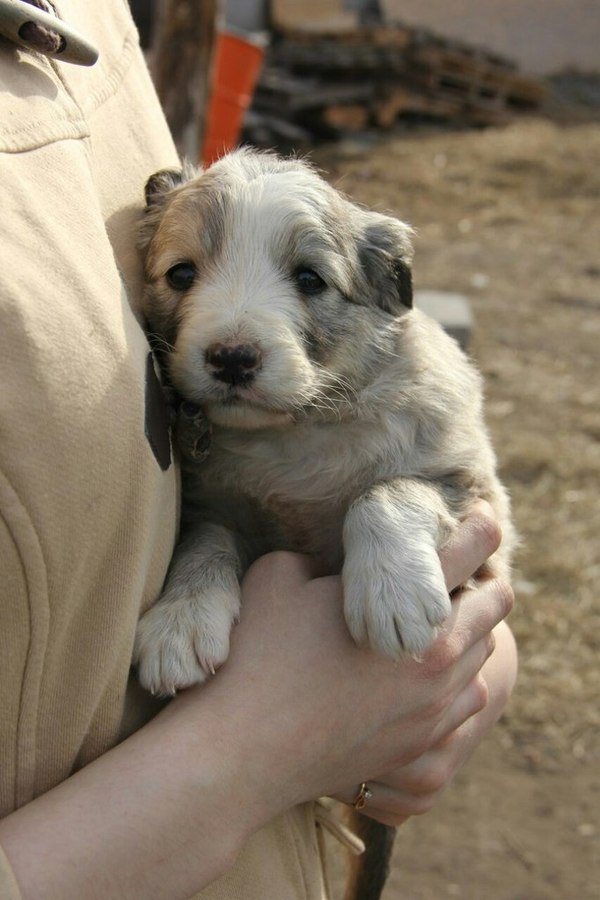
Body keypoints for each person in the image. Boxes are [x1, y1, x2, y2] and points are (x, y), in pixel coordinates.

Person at [0, 3, 517, 898]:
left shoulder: (90, 20)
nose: (231, 334)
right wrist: (243, 738)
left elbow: (473, 514)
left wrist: (466, 665)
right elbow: (213, 516)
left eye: (309, 278)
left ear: (387, 293)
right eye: (186, 276)